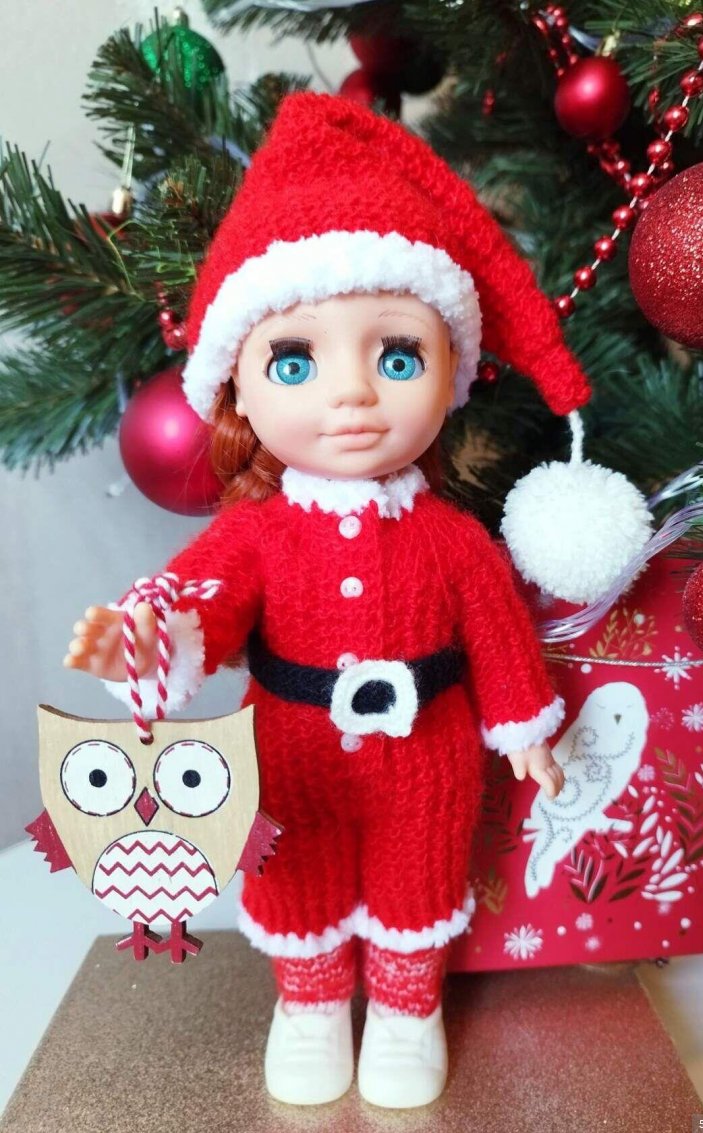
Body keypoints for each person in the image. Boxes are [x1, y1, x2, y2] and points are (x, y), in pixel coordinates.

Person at [63, 92, 591, 1110]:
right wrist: (151, 638)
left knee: (420, 877)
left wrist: (524, 724)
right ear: (240, 390)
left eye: (396, 356)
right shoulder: (256, 531)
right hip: (288, 753)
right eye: (297, 360)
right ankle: (308, 1007)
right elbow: (205, 599)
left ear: (451, 374)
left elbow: (496, 629)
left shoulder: (451, 536)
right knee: (292, 876)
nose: (351, 394)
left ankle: (404, 1010)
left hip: (427, 751)